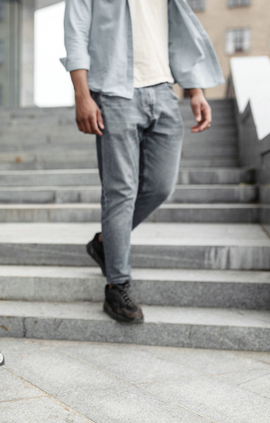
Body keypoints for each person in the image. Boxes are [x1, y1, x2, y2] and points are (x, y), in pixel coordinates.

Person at [61, 0, 224, 323]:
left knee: (162, 185)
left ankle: (105, 243)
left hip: (163, 91)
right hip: (113, 92)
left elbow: (177, 31)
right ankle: (117, 285)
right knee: (120, 191)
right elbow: (76, 32)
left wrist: (195, 90)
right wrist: (82, 94)